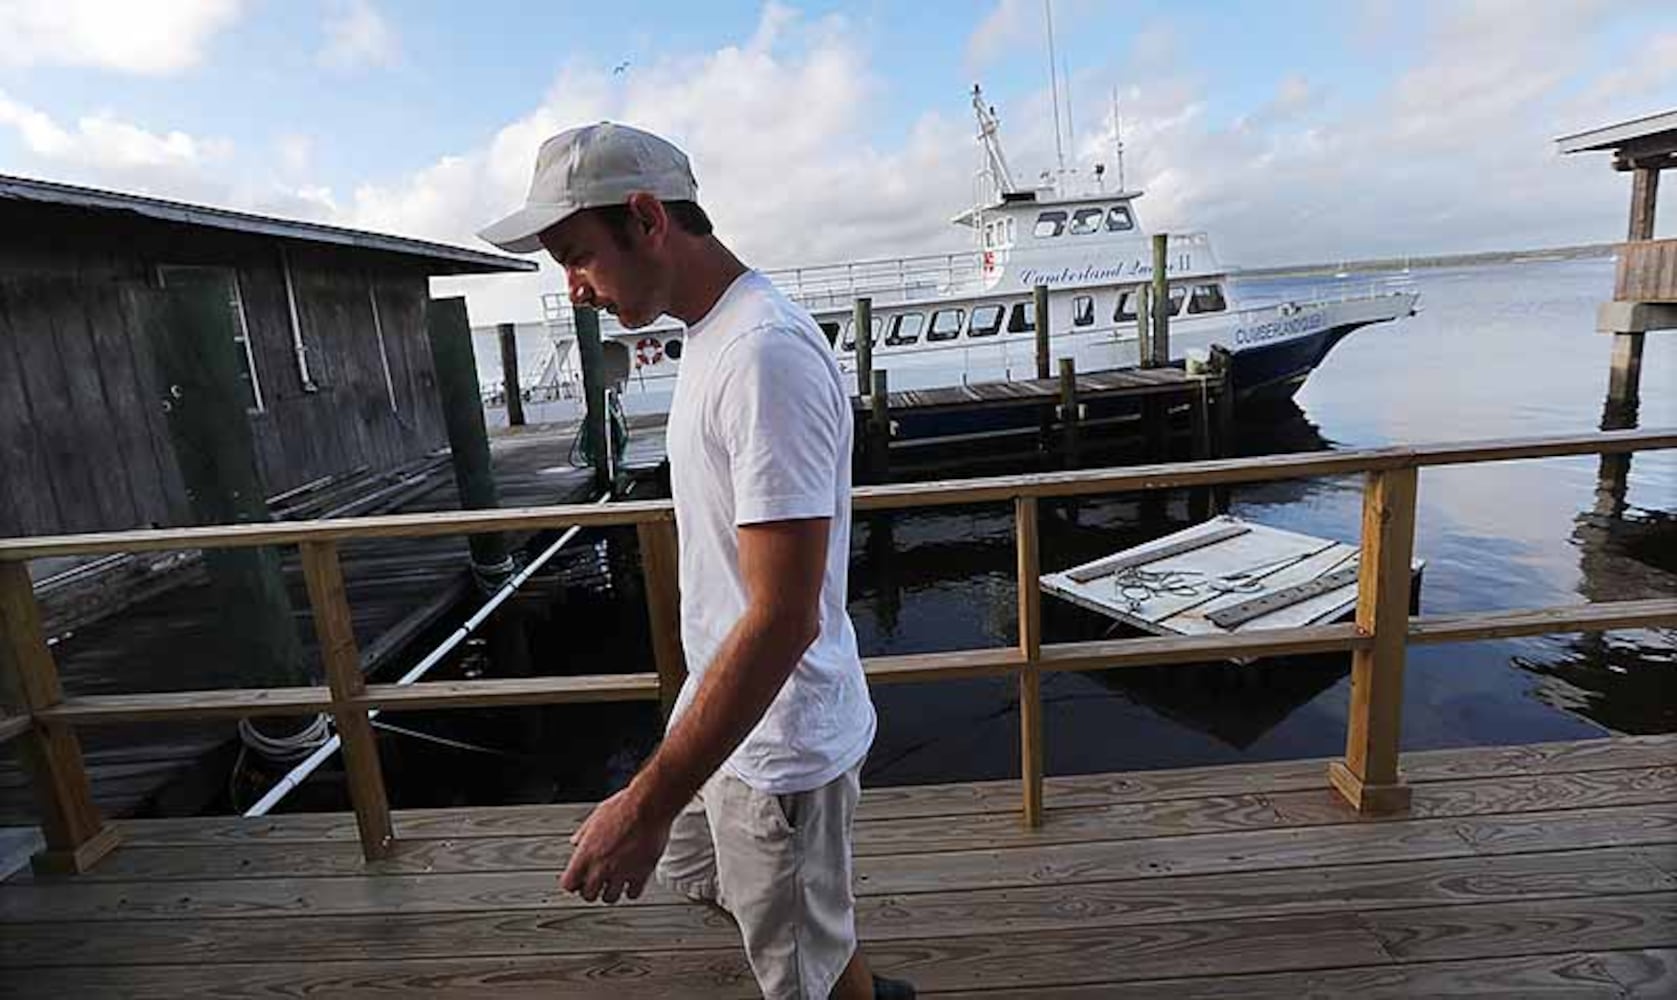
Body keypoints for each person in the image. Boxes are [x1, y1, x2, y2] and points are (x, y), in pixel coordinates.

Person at [480, 122, 914, 1000]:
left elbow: (785, 614)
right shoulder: (713, 334)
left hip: (779, 745)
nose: (574, 288)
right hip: (729, 724)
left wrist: (642, 803)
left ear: (646, 219)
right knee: (750, 900)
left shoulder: (762, 355)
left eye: (577, 256)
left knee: (797, 966)